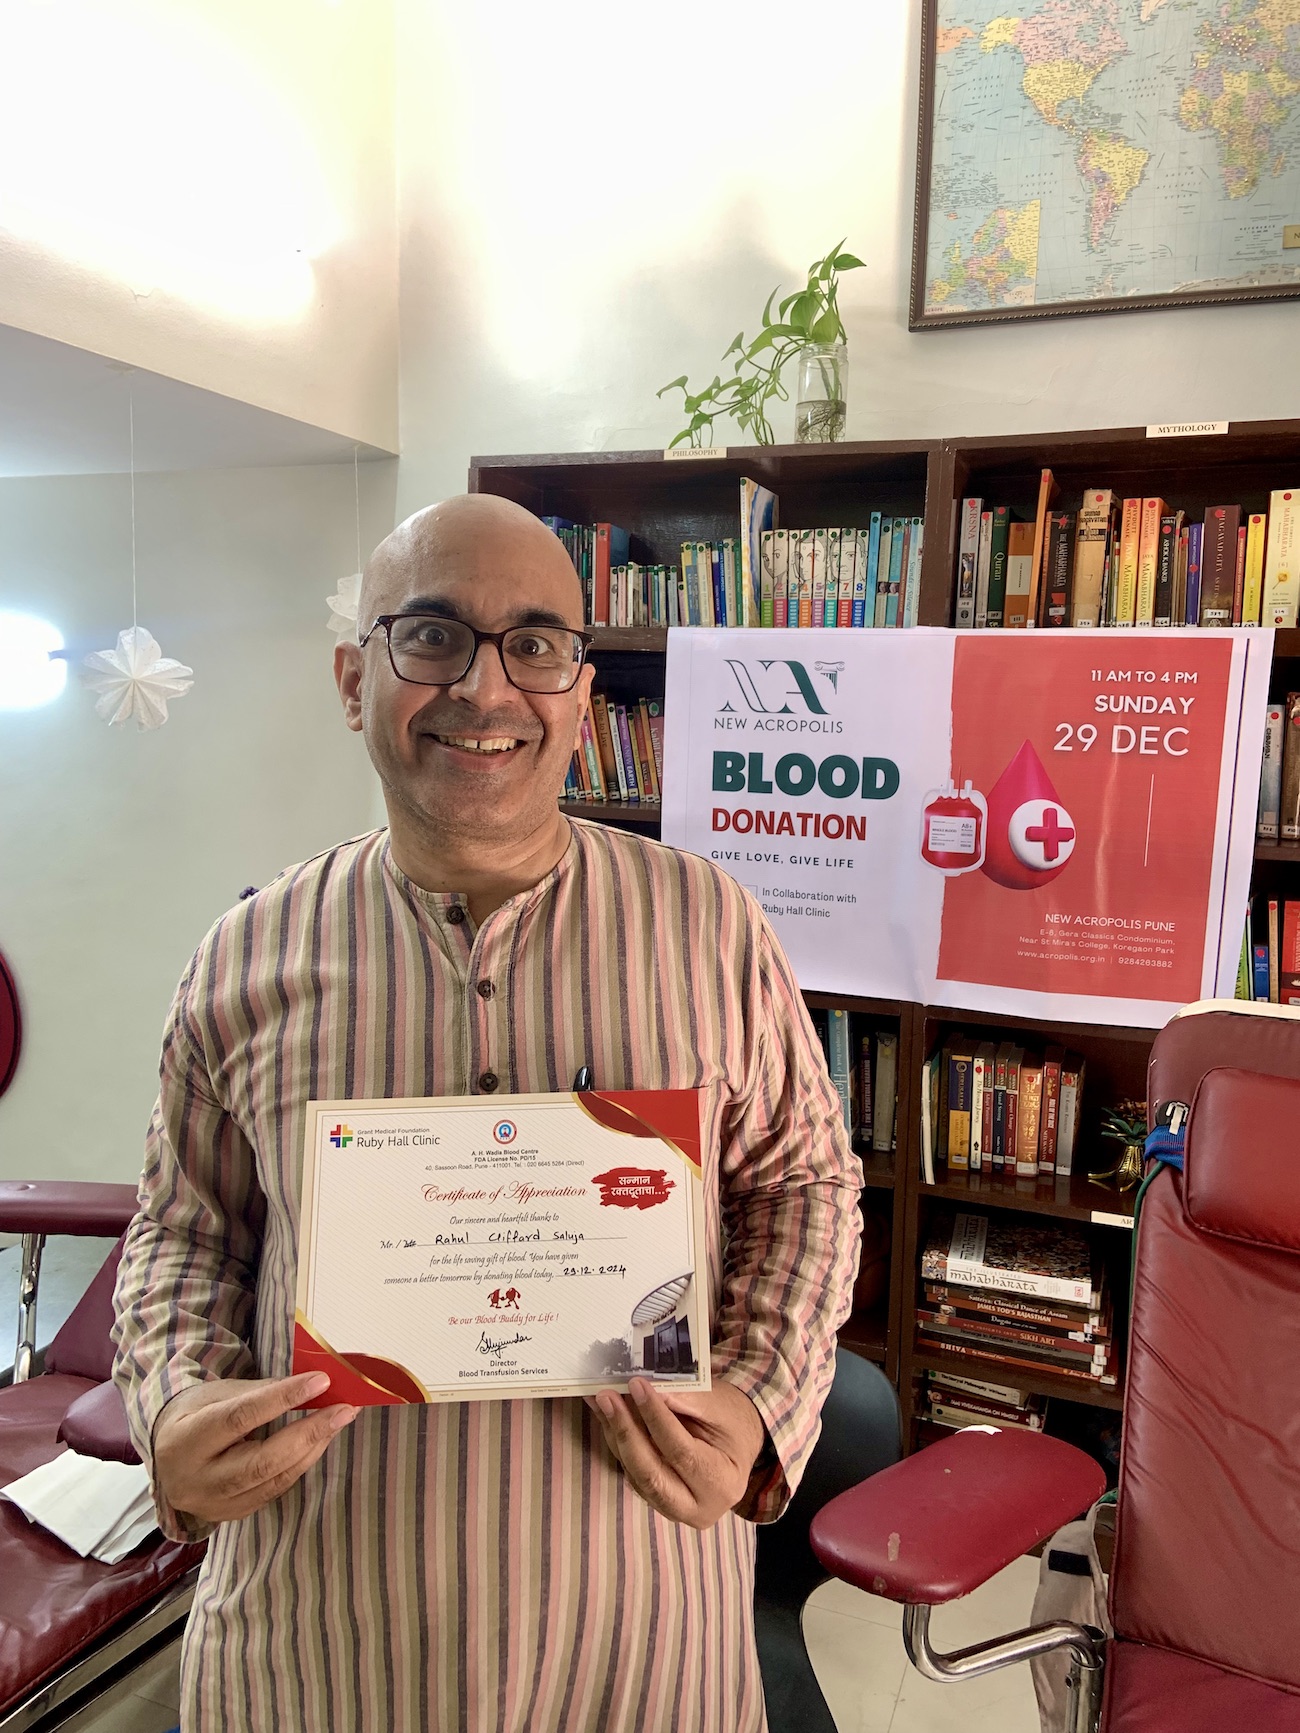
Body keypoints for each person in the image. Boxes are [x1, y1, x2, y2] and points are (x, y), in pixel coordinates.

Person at [112, 494, 862, 1733]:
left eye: (534, 643)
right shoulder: (245, 956)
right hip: (317, 1652)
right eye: (431, 636)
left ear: (581, 689)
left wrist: (758, 1402)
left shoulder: (708, 927)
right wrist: (176, 1394)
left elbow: (804, 1184)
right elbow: (186, 1231)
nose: (485, 686)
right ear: (353, 679)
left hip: (640, 1649)